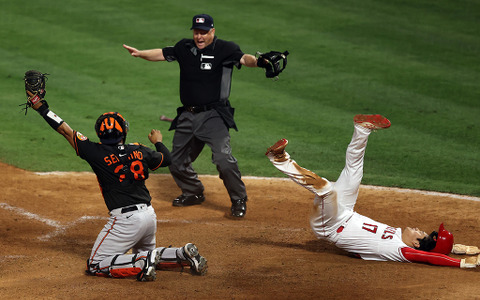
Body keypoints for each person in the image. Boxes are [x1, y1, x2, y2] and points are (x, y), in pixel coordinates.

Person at [24, 71, 207, 281]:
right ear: (124, 132)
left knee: (95, 264)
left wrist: (42, 108)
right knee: (148, 253)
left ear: (100, 134)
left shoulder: (94, 152)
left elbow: (65, 130)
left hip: (126, 220)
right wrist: (157, 141)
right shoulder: (139, 150)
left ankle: (141, 264)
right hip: (149, 216)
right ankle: (182, 254)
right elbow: (167, 159)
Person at [265, 114, 480, 268]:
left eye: (421, 233)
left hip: (328, 225)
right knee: (354, 172)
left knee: (327, 190)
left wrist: (460, 263)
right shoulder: (400, 237)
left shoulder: (399, 250)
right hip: (345, 212)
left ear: (415, 244)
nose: (419, 229)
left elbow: (429, 258)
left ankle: (280, 159)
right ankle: (362, 129)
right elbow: (432, 251)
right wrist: (456, 247)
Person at [123, 13, 270, 218]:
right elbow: (162, 53)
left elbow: (245, 59)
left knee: (223, 158)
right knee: (175, 160)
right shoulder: (184, 48)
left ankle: (238, 199)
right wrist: (139, 53)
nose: (199, 37)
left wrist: (261, 62)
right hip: (187, 116)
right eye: (196, 32)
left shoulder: (225, 49)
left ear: (212, 31)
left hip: (214, 116)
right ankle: (193, 192)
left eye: (203, 32)